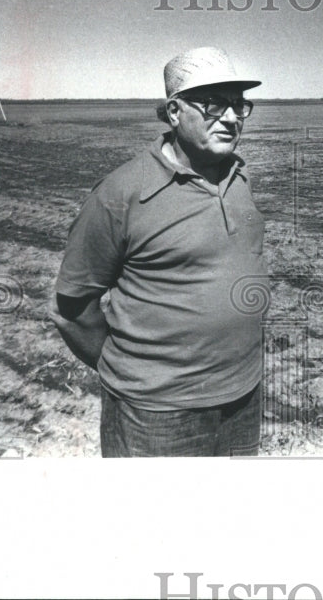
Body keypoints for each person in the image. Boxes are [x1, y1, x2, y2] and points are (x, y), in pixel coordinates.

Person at [49, 47, 267, 457]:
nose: (233, 117)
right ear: (173, 112)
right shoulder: (121, 194)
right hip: (156, 416)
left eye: (239, 104)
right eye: (214, 103)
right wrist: (135, 375)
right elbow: (71, 310)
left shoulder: (240, 179)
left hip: (243, 398)